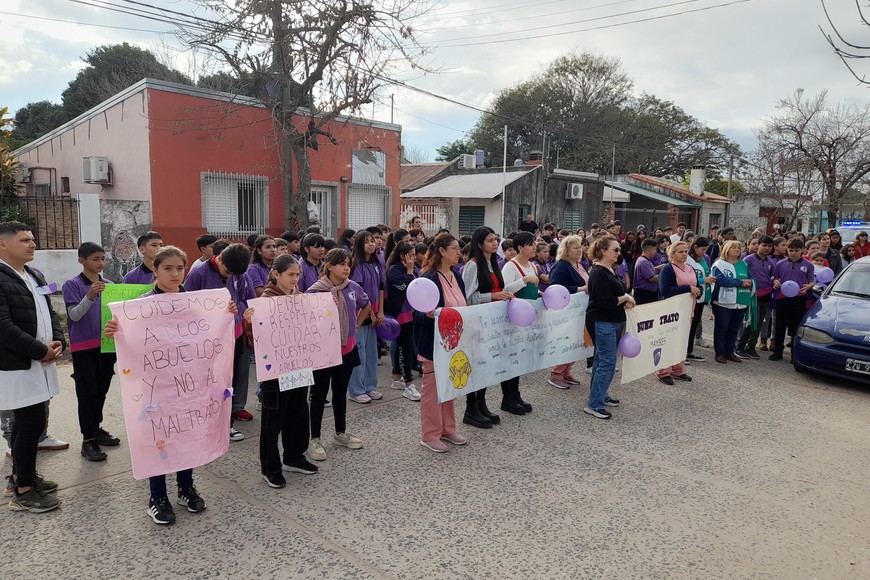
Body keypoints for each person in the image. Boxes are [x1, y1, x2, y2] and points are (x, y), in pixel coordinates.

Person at [106, 245, 237, 525]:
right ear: (155, 270)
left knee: (186, 432)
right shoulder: (141, 307)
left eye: (180, 268)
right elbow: (133, 343)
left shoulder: (193, 302)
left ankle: (185, 486)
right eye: (167, 268)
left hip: (188, 388)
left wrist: (225, 314)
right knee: (159, 437)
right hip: (157, 389)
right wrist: (115, 331)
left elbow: (208, 334)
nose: (175, 274)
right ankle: (157, 496)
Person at [0, 221, 63, 513]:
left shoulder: (34, 274)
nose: (32, 244)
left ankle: (21, 476)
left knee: (30, 423)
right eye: (24, 240)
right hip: (18, 365)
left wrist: (59, 340)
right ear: (3, 245)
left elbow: (48, 311)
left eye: (33, 239)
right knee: (29, 424)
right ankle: (24, 490)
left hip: (40, 362)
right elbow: (3, 327)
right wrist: (40, 351)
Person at [243, 255, 318, 489]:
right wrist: (248, 323)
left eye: (298, 275)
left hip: (299, 366)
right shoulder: (264, 302)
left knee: (298, 413)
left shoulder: (300, 299)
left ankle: (295, 457)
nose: (295, 279)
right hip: (275, 373)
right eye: (291, 275)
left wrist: (325, 310)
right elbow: (255, 341)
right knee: (273, 420)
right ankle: (270, 468)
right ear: (276, 275)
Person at [184, 243, 256, 435]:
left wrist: (237, 311)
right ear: (220, 258)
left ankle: (227, 421)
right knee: (209, 380)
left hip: (234, 334)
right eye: (228, 272)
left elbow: (248, 301)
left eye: (234, 274)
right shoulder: (198, 273)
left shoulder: (240, 274)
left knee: (229, 380)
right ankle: (207, 418)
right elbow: (187, 305)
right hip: (208, 340)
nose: (230, 276)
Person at [305, 248, 369, 461]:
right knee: (319, 396)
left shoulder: (353, 287)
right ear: (329, 266)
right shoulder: (315, 291)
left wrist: (357, 325)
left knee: (340, 392)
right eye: (342, 264)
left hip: (347, 349)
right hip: (324, 352)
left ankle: (340, 433)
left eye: (348, 264)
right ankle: (314, 439)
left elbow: (366, 305)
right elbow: (305, 319)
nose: (346, 268)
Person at [62, 242, 120, 462]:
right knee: (87, 393)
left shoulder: (109, 284)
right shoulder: (72, 284)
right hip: (83, 348)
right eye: (95, 259)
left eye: (103, 259)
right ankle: (87, 441)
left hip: (106, 346)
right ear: (82, 261)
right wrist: (89, 296)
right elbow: (74, 315)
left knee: (101, 390)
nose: (101, 263)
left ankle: (96, 428)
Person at [414, 234, 469, 453]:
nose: (459, 252)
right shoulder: (429, 278)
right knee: (432, 390)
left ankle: (448, 429)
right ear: (442, 252)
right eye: (455, 249)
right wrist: (428, 315)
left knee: (450, 386)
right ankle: (430, 434)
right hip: (434, 344)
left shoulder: (456, 275)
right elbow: (416, 314)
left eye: (459, 249)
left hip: (454, 342)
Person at [462, 226, 513, 428]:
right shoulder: (473, 265)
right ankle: (470, 407)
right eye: (490, 240)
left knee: (487, 365)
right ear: (480, 243)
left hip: (494, 321)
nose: (495, 243)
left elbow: (498, 288)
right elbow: (467, 297)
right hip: (478, 322)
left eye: (496, 239)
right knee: (476, 365)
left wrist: (506, 294)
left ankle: (481, 403)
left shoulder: (494, 263)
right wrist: (492, 296)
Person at [584, 236, 634, 419]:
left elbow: (616, 293)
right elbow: (605, 302)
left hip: (613, 320)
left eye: (619, 249)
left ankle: (600, 395)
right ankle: (594, 404)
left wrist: (623, 300)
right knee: (607, 362)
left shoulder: (610, 270)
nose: (619, 253)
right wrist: (625, 299)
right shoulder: (597, 272)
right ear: (603, 251)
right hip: (602, 320)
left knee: (601, 361)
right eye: (615, 250)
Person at [500, 231, 540, 414]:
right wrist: (524, 280)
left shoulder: (532, 265)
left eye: (534, 244)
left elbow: (532, 289)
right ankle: (507, 398)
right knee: (510, 358)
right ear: (520, 248)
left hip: (527, 319)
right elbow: (505, 289)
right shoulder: (511, 266)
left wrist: (541, 294)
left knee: (520, 358)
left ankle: (516, 395)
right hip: (513, 319)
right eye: (530, 244)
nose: (534, 247)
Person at [346, 231, 385, 404]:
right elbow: (359, 294)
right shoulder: (357, 266)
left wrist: (380, 311)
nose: (371, 244)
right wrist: (369, 313)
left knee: (371, 352)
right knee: (359, 352)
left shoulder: (377, 265)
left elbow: (381, 289)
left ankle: (370, 386)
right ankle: (355, 389)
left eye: (373, 241)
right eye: (366, 242)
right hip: (361, 316)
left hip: (375, 314)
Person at [547, 235, 588, 389]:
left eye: (580, 247)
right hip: (567, 311)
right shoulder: (561, 266)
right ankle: (556, 373)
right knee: (566, 341)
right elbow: (555, 288)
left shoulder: (579, 264)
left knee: (576, 342)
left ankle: (567, 371)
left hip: (580, 310)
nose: (580, 250)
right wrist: (579, 289)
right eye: (575, 248)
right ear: (566, 250)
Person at [655, 241, 698, 384]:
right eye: (681, 252)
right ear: (672, 254)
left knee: (681, 340)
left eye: (686, 251)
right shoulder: (668, 269)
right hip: (671, 311)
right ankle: (663, 371)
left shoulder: (690, 268)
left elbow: (696, 286)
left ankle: (677, 369)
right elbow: (665, 290)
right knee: (668, 341)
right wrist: (688, 289)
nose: (685, 254)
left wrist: (698, 291)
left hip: (687, 309)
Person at [385, 242, 421, 402]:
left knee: (406, 347)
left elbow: (418, 286)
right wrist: (409, 270)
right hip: (398, 316)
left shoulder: (410, 270)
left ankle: (398, 377)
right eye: (411, 256)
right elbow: (409, 289)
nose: (413, 259)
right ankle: (408, 383)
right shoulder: (394, 271)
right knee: (403, 349)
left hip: (410, 314)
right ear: (402, 256)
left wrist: (410, 271)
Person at [769, 238, 815, 361]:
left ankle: (795, 353)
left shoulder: (808, 265)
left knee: (795, 327)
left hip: (799, 298)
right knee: (780, 326)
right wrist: (776, 281)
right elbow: (775, 277)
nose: (793, 253)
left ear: (802, 250)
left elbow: (811, 281)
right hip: (782, 298)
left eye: (796, 250)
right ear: (787, 250)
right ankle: (778, 351)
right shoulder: (780, 264)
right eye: (790, 250)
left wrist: (808, 287)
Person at [711, 240, 754, 364]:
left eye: (738, 247)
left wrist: (750, 282)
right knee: (722, 328)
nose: (737, 249)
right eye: (733, 247)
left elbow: (750, 278)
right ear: (726, 250)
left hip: (740, 301)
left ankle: (729, 352)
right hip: (723, 302)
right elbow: (720, 280)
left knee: (734, 329)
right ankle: (720, 353)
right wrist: (740, 282)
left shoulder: (743, 264)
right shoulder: (719, 264)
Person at [735, 236, 776, 360]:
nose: (767, 248)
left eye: (769, 246)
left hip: (766, 296)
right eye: (764, 245)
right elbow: (742, 274)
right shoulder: (749, 259)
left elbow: (771, 277)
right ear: (758, 245)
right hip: (752, 295)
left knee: (759, 323)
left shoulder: (771, 262)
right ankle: (740, 347)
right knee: (750, 321)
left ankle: (751, 347)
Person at [686, 237, 716, 361]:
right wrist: (704, 280)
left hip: (701, 296)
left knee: (694, 324)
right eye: (702, 249)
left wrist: (709, 278)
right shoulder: (688, 260)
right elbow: (686, 279)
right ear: (695, 247)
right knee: (687, 325)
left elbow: (705, 272)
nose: (704, 252)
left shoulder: (704, 259)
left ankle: (689, 351)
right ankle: (682, 352)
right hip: (690, 296)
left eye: (706, 250)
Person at [633, 239, 660, 305]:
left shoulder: (644, 260)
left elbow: (647, 270)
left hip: (646, 294)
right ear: (650, 249)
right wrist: (664, 274)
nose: (655, 252)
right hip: (645, 294)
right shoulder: (644, 262)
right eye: (655, 249)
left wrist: (658, 267)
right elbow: (652, 278)